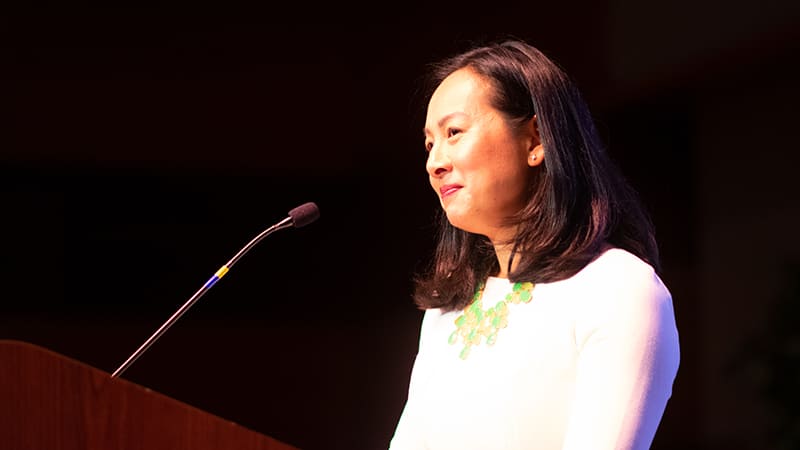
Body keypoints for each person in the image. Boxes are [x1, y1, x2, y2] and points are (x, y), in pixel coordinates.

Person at [389, 38, 680, 450]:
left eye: (454, 132)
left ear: (536, 140)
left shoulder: (618, 289)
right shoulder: (446, 309)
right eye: (429, 144)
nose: (434, 162)